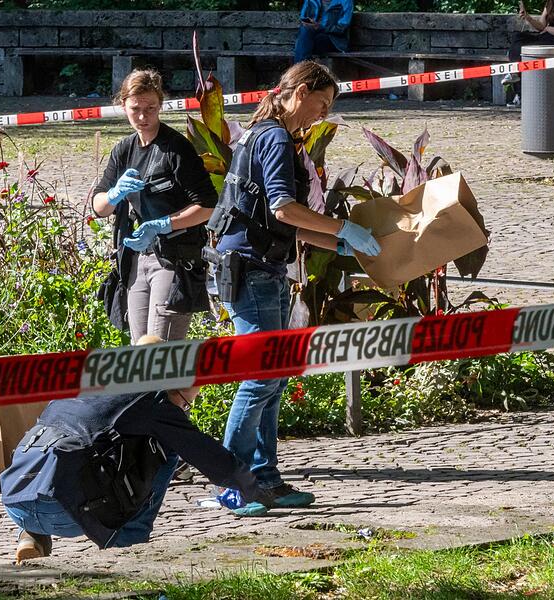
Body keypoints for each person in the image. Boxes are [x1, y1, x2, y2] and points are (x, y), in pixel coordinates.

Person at [206, 61, 381, 509]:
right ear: (300, 92)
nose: (320, 116)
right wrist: (343, 228)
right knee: (261, 376)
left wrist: (336, 242)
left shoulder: (262, 133)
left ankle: (264, 477)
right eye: (321, 104)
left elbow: (276, 221)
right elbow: (285, 208)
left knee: (273, 376)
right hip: (253, 270)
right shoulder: (277, 138)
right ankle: (234, 483)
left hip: (258, 264)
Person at [1, 338, 274, 563]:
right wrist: (254, 488)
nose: (183, 411)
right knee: (168, 452)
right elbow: (209, 457)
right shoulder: (153, 399)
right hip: (66, 513)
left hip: (16, 496)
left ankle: (31, 535)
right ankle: (131, 550)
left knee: (56, 460)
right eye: (185, 404)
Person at [92, 68, 217, 343]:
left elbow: (208, 205)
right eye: (135, 108)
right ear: (123, 105)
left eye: (150, 108)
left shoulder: (176, 148)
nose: (142, 117)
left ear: (161, 105)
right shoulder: (124, 149)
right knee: (140, 349)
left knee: (160, 350)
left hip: (174, 258)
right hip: (137, 257)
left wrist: (163, 224)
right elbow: (99, 206)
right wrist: (114, 194)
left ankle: (174, 388)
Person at [501, 0, 554, 107]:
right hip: (544, 37)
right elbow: (540, 26)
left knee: (524, 51)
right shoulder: (550, 4)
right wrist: (528, 17)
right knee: (518, 37)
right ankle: (514, 75)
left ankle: (519, 91)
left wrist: (547, 28)